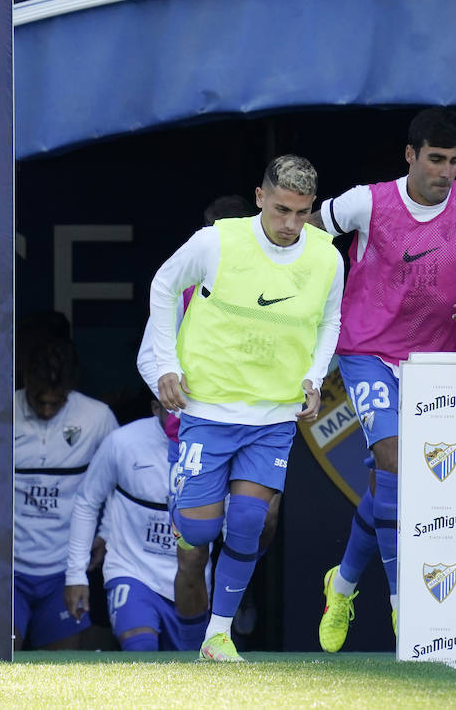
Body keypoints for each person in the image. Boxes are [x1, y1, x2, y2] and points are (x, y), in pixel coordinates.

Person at [312, 108, 456, 652]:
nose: (445, 171)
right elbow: (305, 238)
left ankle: (344, 583)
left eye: (453, 161)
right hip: (368, 352)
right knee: (396, 463)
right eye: (435, 159)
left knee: (395, 486)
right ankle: (408, 603)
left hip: (442, 364)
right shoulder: (366, 202)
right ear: (411, 156)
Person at [149, 154, 343, 662]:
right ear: (261, 196)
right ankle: (186, 518)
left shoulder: (326, 256)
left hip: (273, 415)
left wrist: (314, 376)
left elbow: (330, 321)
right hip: (207, 407)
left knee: (249, 524)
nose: (291, 225)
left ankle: (218, 636)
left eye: (302, 213)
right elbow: (164, 285)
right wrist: (165, 364)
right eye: (281, 210)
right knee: (197, 531)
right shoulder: (217, 241)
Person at [137, 193, 256, 622]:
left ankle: (228, 619)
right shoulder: (182, 287)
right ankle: (196, 654)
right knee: (192, 557)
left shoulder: (276, 286)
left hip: (256, 428)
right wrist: (181, 400)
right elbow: (148, 358)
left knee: (258, 524)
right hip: (193, 433)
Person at [64, 397, 208, 651]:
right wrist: (76, 575)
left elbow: (230, 526)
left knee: (188, 677)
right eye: (175, 409)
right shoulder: (123, 442)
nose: (183, 417)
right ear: (155, 407)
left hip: (192, 583)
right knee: (140, 651)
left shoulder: (217, 446)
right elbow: (88, 501)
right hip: (133, 572)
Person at [13, 336, 119, 650]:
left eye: (55, 402)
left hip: (64, 567)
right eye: (38, 401)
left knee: (61, 671)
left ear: (69, 390)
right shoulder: (0, 413)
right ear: (25, 383)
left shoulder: (97, 417)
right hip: (8, 567)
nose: (46, 410)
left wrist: (107, 533)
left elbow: (118, 480)